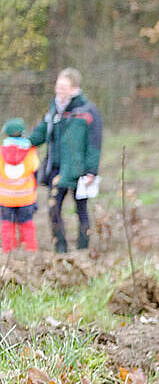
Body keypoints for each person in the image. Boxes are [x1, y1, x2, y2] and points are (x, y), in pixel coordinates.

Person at [28, 68, 101, 254]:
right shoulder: (54, 109)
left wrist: (92, 170)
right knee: (53, 208)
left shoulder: (87, 110)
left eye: (63, 86)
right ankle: (60, 248)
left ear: (74, 88)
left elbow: (94, 143)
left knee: (81, 210)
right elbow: (42, 131)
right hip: (57, 169)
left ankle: (83, 248)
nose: (58, 90)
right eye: (57, 85)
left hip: (79, 170)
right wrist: (24, 142)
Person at [0, 119, 39, 252]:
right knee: (27, 224)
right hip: (26, 197)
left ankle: (8, 250)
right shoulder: (30, 151)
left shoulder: (1, 152)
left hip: (5, 198)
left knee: (7, 224)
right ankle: (29, 249)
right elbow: (35, 170)